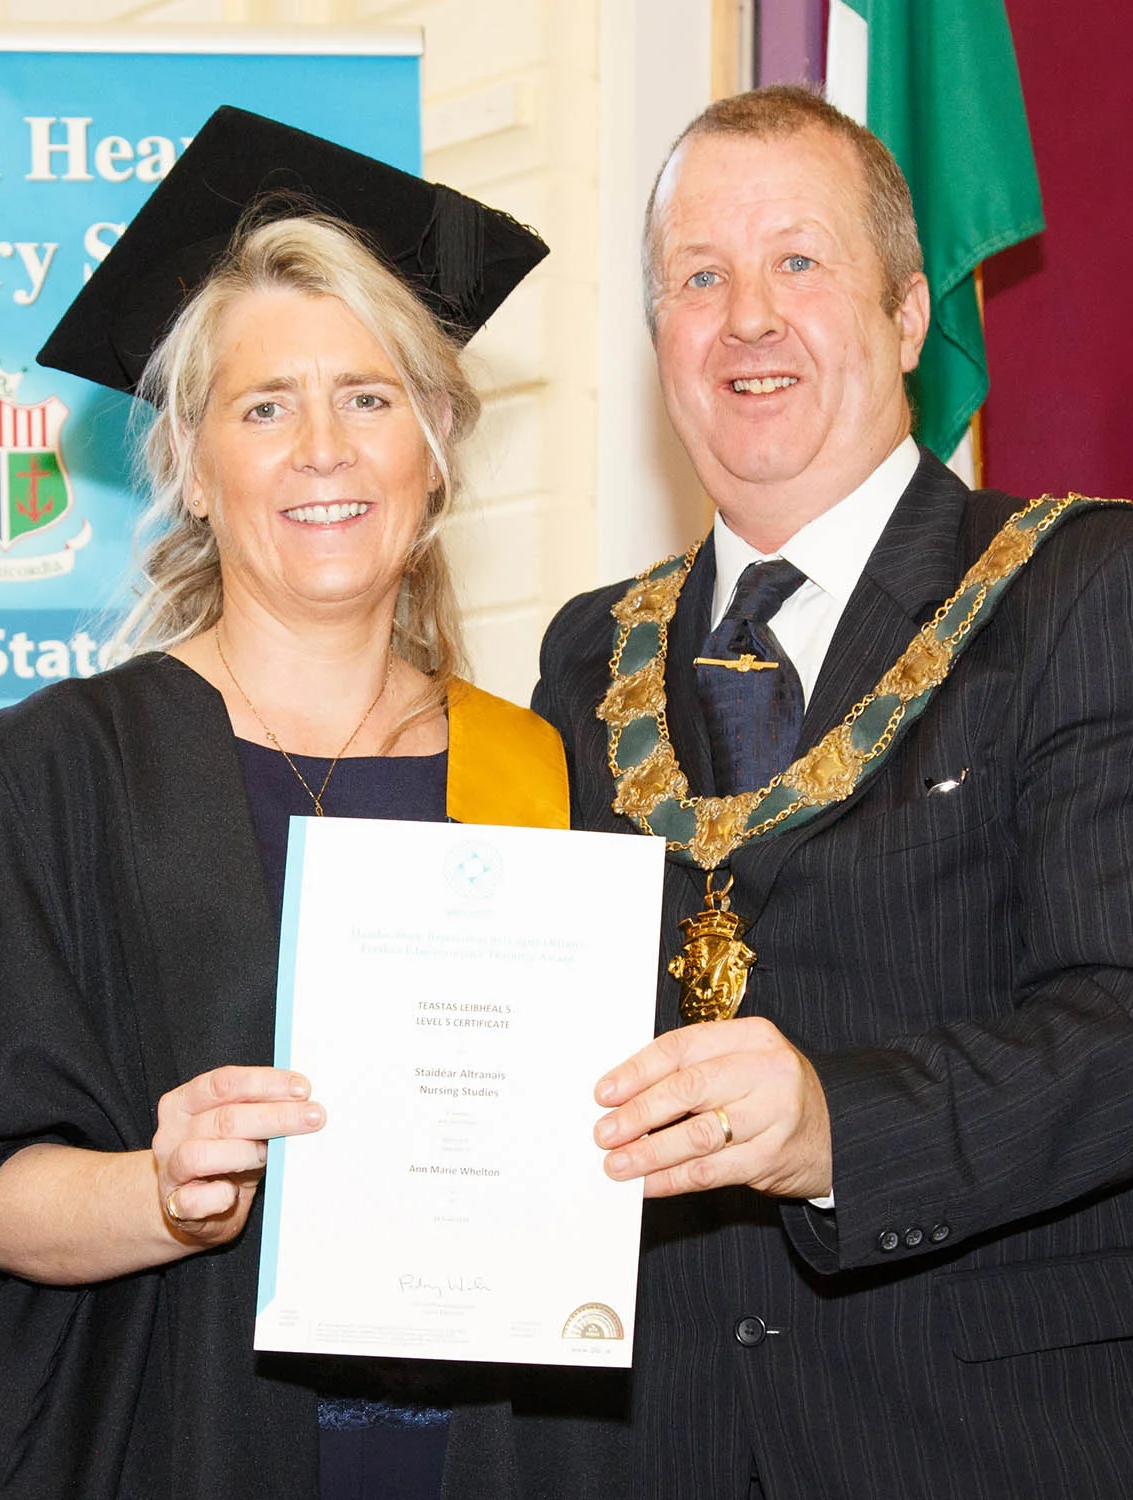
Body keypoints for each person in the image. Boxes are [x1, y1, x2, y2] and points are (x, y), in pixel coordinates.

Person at [0, 106, 566, 1500]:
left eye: (370, 397)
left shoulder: (546, 771)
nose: (322, 448)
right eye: (265, 406)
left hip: (492, 1458)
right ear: (190, 469)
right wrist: (162, 1197)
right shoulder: (50, 779)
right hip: (180, 1441)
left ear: (436, 449)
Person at [528, 85, 1133, 1498]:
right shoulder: (589, 653)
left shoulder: (1084, 588)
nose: (747, 317)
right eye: (700, 278)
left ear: (909, 316)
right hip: (644, 1446)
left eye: (798, 261)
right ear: (660, 338)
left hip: (983, 1441)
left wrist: (834, 1129)